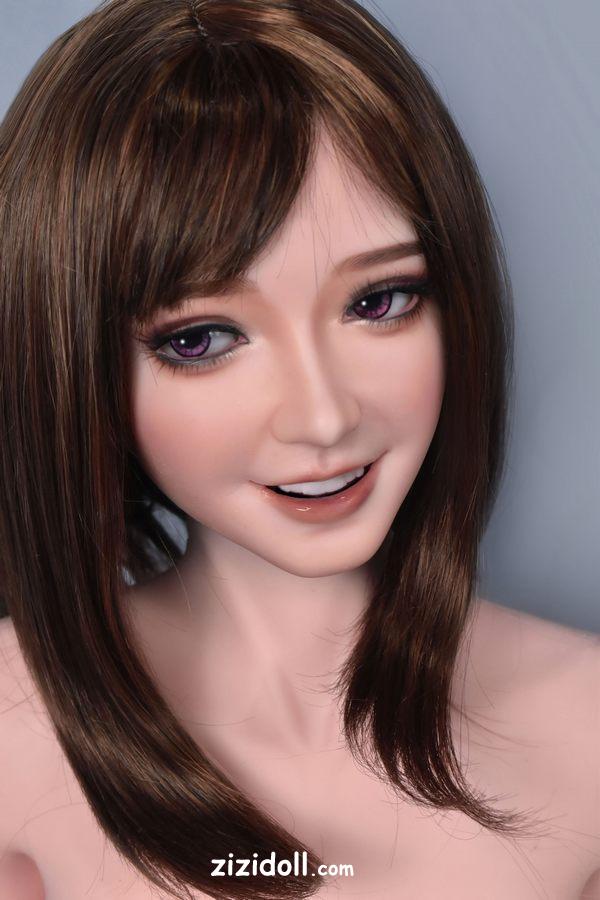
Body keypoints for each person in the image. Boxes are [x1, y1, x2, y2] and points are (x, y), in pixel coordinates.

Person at [0, 1, 598, 898]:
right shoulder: (12, 749)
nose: (322, 418)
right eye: (200, 338)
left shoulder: (587, 730)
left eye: (379, 302)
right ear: (71, 363)